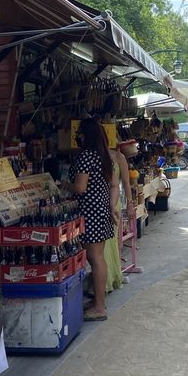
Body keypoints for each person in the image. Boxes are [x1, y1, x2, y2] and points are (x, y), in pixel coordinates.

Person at [70, 118, 116, 321]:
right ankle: (99, 301)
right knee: (98, 258)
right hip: (101, 210)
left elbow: (80, 187)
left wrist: (64, 184)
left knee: (95, 258)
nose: (77, 136)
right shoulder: (103, 155)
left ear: (86, 136)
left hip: (90, 211)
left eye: (79, 133)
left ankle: (99, 307)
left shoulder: (87, 156)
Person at [104, 146, 135, 292]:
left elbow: (126, 182)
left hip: (114, 203)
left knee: (112, 241)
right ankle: (103, 279)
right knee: (100, 246)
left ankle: (111, 278)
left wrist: (130, 204)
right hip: (98, 202)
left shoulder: (119, 157)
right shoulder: (96, 155)